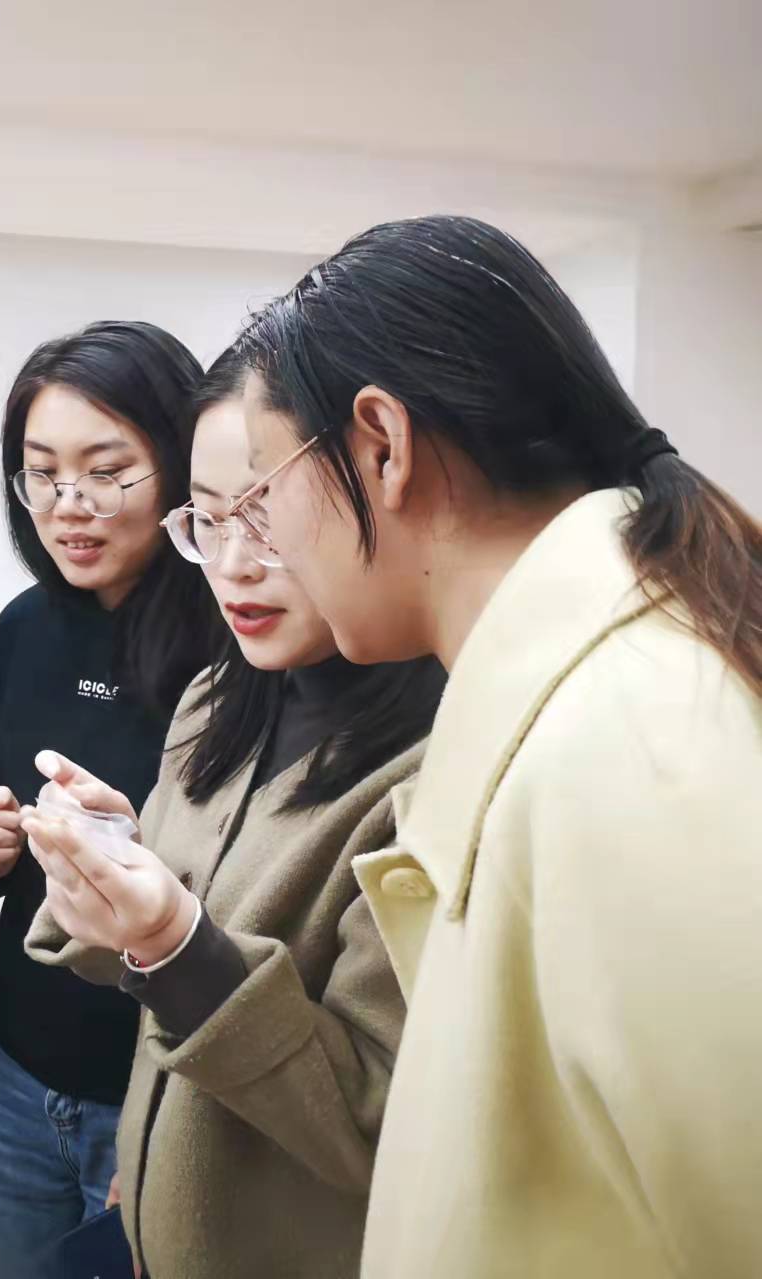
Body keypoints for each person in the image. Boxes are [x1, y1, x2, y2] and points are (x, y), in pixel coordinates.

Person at [230, 215, 762, 1277]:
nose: (261, 537)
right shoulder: (590, 706)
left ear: (381, 446)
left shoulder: (632, 743)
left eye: (262, 485)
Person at [21, 349, 445, 1276]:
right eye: (207, 521)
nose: (232, 564)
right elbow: (168, 976)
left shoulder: (434, 768)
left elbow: (370, 1121)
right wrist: (115, 863)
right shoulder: (220, 698)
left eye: (267, 519)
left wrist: (173, 938)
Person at [0, 320, 217, 1276]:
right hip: (13, 1060)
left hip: (157, 1075)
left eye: (107, 472)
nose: (71, 506)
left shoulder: (235, 640)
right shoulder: (26, 624)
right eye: (43, 474)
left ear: (179, 465)